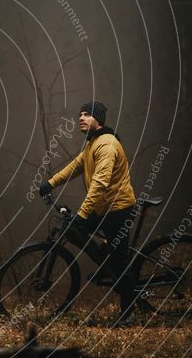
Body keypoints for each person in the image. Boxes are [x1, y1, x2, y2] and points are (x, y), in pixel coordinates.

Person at [38, 101, 139, 327]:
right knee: (74, 229)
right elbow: (76, 166)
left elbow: (100, 183)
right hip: (103, 208)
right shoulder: (92, 144)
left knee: (121, 262)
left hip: (118, 210)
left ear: (99, 120)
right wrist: (50, 183)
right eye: (80, 114)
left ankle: (128, 313)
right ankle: (106, 259)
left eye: (87, 115)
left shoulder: (107, 145)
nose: (81, 118)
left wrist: (83, 214)